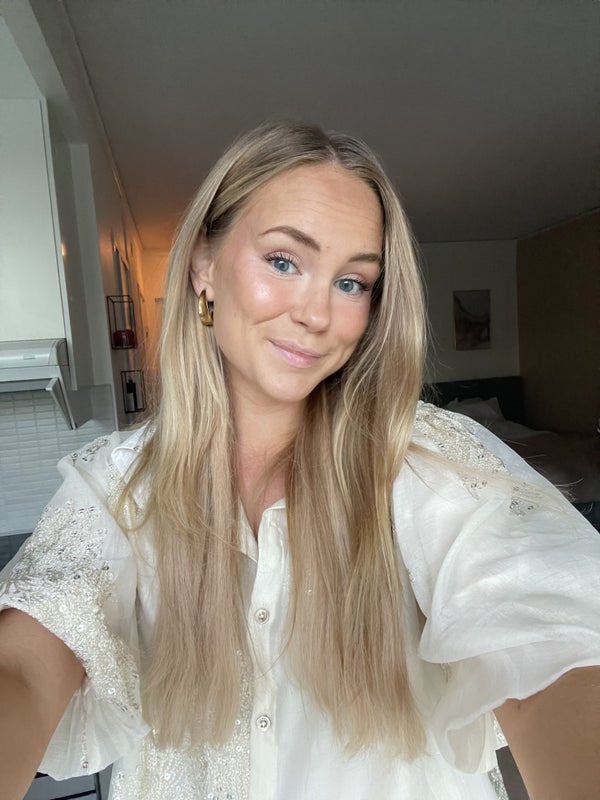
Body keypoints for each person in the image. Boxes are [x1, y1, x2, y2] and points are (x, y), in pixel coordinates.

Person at [1, 121, 599, 800]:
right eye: (284, 261)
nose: (318, 314)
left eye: (352, 282)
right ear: (204, 266)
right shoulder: (116, 485)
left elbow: (551, 644)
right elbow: (24, 667)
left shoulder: (424, 461)